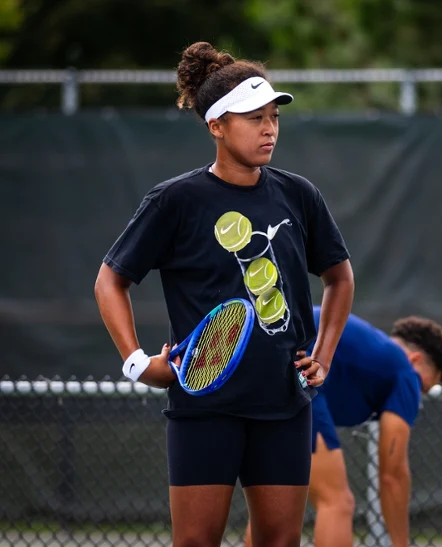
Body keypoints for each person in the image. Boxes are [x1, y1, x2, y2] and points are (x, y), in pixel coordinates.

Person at [94, 42, 354, 547]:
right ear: (216, 125)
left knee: (280, 542)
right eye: (254, 118)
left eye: (274, 117)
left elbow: (340, 277)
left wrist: (323, 355)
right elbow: (110, 280)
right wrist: (137, 363)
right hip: (204, 407)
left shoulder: (299, 194)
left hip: (285, 403)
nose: (269, 129)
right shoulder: (175, 200)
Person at [244, 305, 442, 547]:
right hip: (293, 370)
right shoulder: (405, 371)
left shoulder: (370, 353)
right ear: (415, 359)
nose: (418, 395)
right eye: (423, 387)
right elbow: (392, 475)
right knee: (336, 502)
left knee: (279, 502)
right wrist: (400, 543)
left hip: (255, 362)